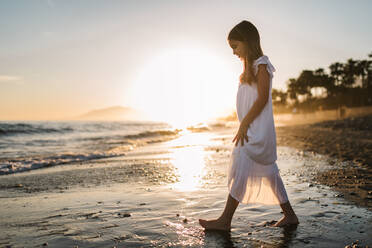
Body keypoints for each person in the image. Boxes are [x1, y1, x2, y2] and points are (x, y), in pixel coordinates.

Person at [199, 20, 299, 231]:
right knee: (269, 172)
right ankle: (290, 215)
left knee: (242, 166)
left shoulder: (261, 64)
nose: (233, 52)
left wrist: (244, 124)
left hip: (256, 129)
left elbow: (262, 99)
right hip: (250, 127)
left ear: (247, 41)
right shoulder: (247, 70)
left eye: (235, 46)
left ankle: (225, 220)